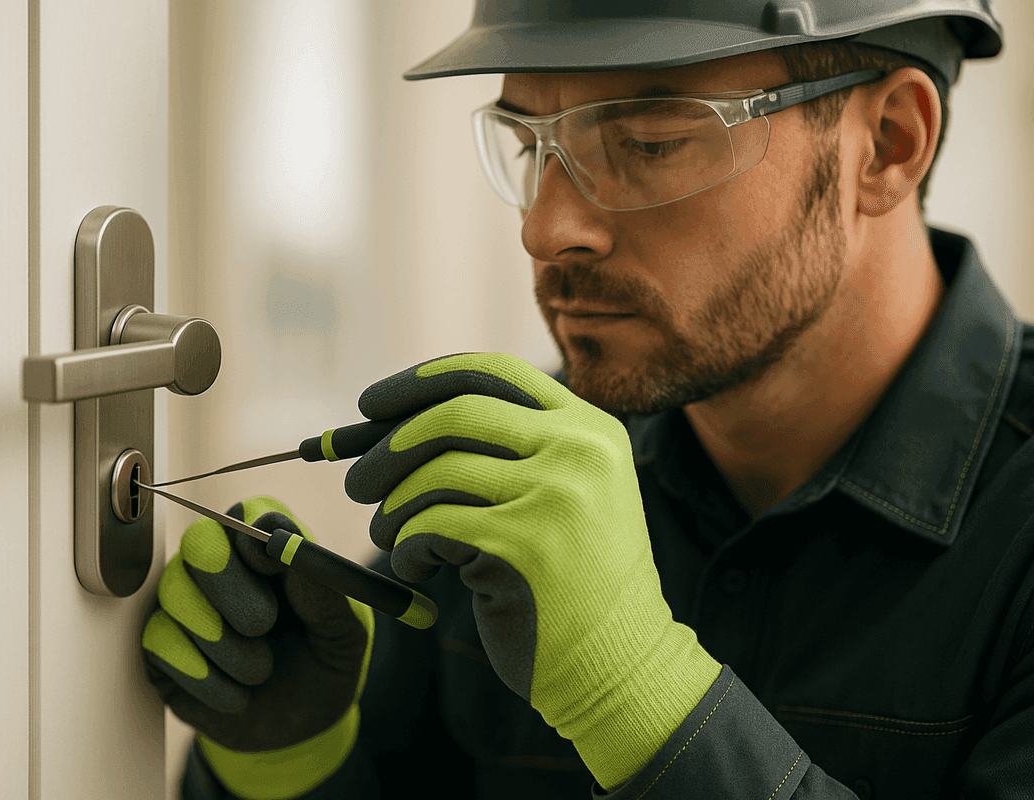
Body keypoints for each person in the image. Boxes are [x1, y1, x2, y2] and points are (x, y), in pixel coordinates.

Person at [141, 2, 1034, 797]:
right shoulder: (529, 480)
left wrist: (642, 700)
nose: (546, 227)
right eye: (532, 145)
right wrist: (294, 765)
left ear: (887, 144)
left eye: (649, 141)